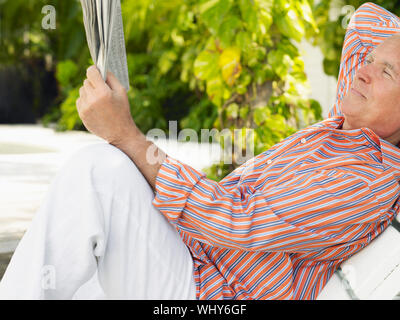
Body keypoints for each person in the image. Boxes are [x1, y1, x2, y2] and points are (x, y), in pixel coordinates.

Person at [1, 2, 400, 300]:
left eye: (386, 71)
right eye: (369, 60)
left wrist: (127, 134)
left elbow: (237, 219)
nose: (361, 69)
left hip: (213, 293)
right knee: (78, 257)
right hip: (194, 261)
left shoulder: (366, 177)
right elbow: (365, 20)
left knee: (99, 172)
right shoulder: (345, 124)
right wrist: (386, 60)